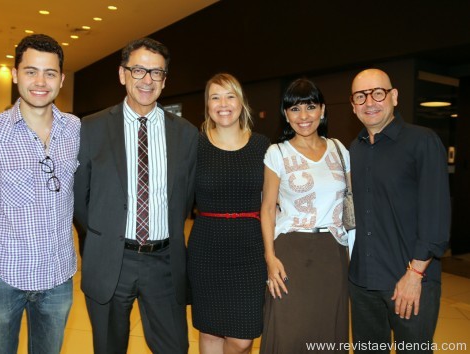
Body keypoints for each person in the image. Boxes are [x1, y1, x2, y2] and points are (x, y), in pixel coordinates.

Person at [0, 34, 80, 354]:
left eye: (50, 73)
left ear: (62, 79)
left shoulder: (75, 129)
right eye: (30, 71)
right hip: (1, 277)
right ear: (14, 75)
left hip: (57, 277)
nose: (40, 81)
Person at [74, 37, 198, 354]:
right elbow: (80, 198)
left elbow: (185, 198)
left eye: (156, 73)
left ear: (164, 80)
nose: (147, 80)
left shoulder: (185, 133)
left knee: (174, 347)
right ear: (122, 74)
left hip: (165, 262)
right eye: (139, 70)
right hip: (111, 259)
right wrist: (105, 233)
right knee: (108, 347)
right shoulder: (91, 127)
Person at [348, 68, 450, 353]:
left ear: (394, 96)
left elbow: (436, 215)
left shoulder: (422, 141)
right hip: (362, 283)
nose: (370, 102)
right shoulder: (352, 151)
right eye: (361, 96)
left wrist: (415, 275)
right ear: (353, 105)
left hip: (409, 281)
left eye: (378, 93)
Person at [260, 78, 350, 353]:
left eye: (310, 107)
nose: (304, 116)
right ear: (286, 114)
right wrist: (270, 257)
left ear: (322, 110)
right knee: (289, 333)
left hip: (333, 253)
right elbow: (267, 209)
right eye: (295, 109)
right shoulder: (277, 153)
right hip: (292, 254)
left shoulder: (338, 149)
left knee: (327, 333)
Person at [187, 73, 269, 354]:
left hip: (250, 249)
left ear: (241, 102)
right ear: (207, 105)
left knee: (243, 337)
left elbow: (274, 201)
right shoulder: (194, 146)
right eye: (215, 97)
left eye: (230, 95)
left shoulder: (262, 146)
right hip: (206, 249)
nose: (223, 103)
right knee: (210, 330)